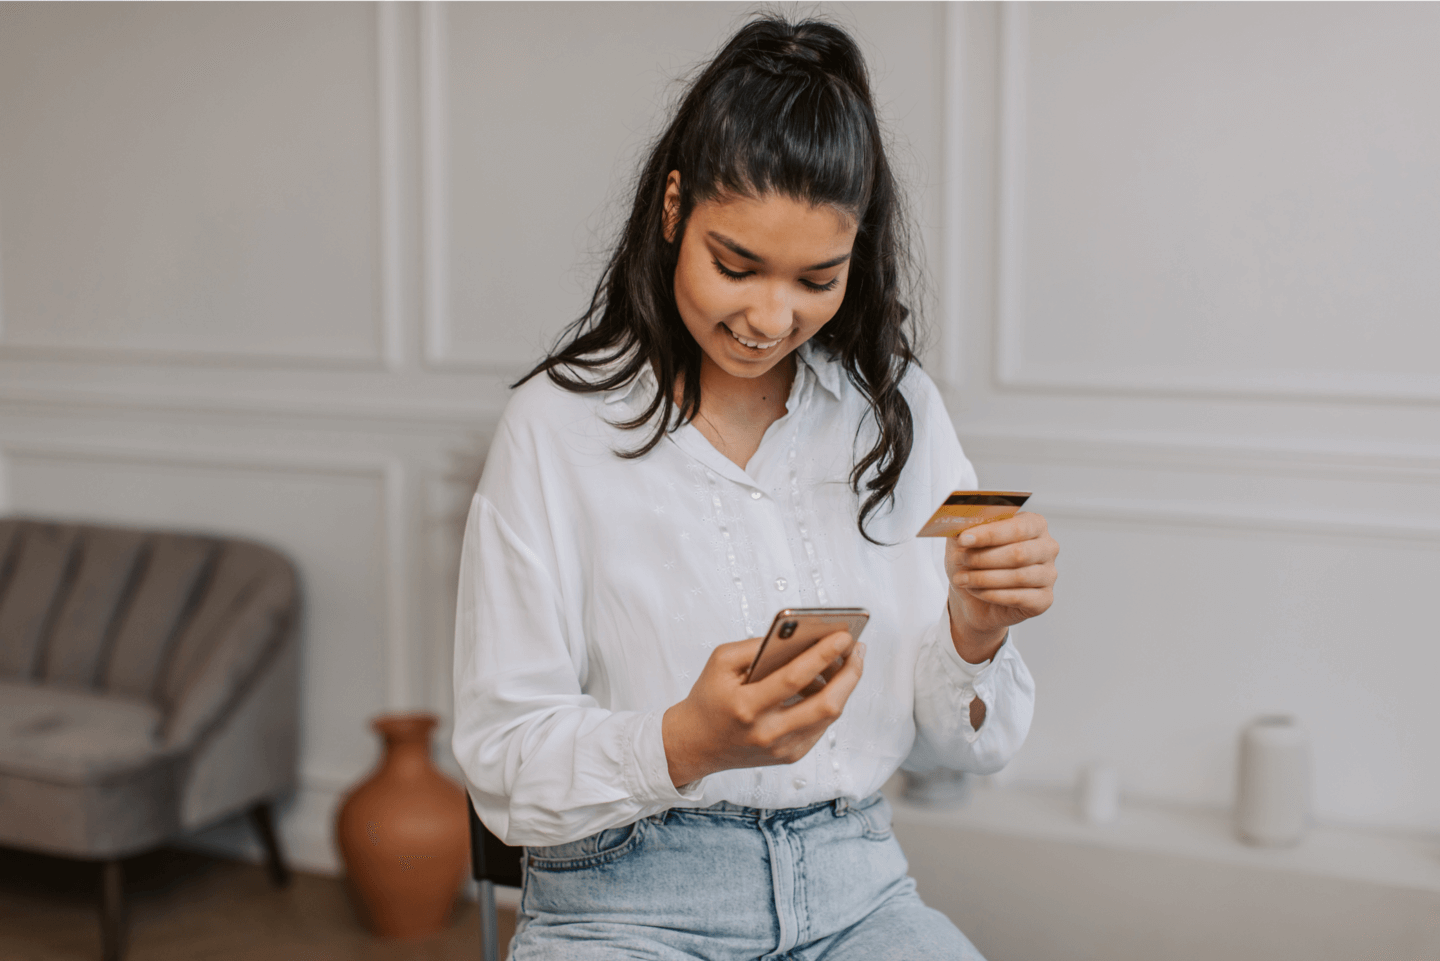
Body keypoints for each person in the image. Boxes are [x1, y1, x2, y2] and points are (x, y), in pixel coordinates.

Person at [452, 15, 1060, 960]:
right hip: (625, 909)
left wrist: (977, 631)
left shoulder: (897, 411)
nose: (771, 318)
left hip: (859, 893)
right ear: (673, 208)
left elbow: (966, 747)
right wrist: (683, 742)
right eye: (735, 265)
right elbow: (501, 760)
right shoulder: (554, 427)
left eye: (817, 279)